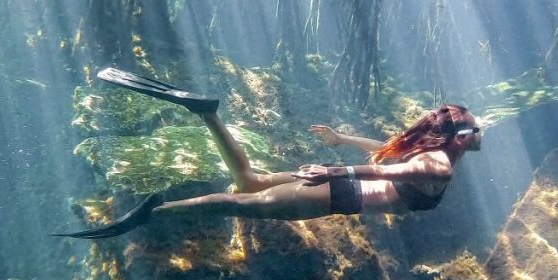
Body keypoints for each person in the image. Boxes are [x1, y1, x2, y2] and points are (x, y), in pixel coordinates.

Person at [55, 68, 482, 239]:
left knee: (248, 182)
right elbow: (396, 174)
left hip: (339, 185)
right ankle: (152, 213)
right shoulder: (440, 166)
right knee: (242, 204)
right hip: (337, 194)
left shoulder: (432, 156)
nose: (482, 131)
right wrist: (336, 167)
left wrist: (342, 139)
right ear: (459, 136)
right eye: (476, 127)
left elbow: (391, 158)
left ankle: (206, 114)